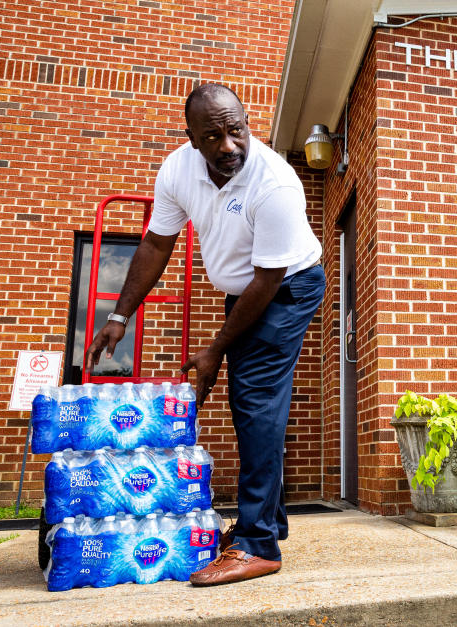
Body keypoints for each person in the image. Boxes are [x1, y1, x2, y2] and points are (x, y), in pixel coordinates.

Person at [87, 83, 325, 586]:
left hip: (287, 285)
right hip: (247, 292)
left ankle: (258, 544)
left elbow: (268, 279)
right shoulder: (177, 169)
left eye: (235, 130)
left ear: (247, 124)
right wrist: (119, 317)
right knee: (252, 403)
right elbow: (156, 241)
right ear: (192, 139)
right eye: (212, 136)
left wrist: (215, 349)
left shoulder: (275, 183)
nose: (228, 145)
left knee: (256, 399)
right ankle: (270, 522)